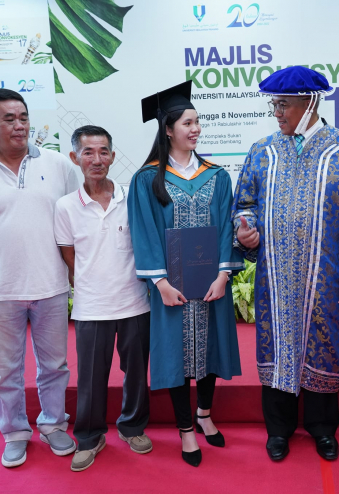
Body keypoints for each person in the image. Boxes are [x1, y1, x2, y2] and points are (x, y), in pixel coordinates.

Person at [232, 66, 339, 462]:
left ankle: (321, 429)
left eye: (283, 104)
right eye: (274, 103)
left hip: (327, 277)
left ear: (310, 102)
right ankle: (278, 430)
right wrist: (245, 229)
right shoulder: (262, 151)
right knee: (276, 345)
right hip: (276, 277)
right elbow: (244, 204)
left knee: (324, 346)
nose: (276, 112)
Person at [0, 88, 79, 467]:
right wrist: (4, 260)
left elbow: (72, 222)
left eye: (23, 117)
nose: (19, 125)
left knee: (54, 365)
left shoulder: (57, 165)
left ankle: (54, 424)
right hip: (0, 289)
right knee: (5, 370)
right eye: (9, 119)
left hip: (51, 286)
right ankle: (15, 432)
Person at [128, 81, 243, 468]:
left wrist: (224, 275)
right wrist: (160, 283)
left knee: (208, 351)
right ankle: (185, 431)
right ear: (167, 129)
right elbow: (143, 232)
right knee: (177, 356)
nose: (194, 129)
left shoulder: (218, 176)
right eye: (187, 123)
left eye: (197, 122)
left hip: (211, 283)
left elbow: (227, 227)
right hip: (170, 288)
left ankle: (205, 414)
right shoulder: (147, 179)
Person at [54, 125, 152, 472]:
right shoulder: (65, 207)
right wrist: (89, 283)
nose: (97, 159)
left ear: (112, 155)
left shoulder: (131, 198)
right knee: (92, 380)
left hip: (135, 304)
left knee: (137, 374)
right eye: (88, 152)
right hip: (91, 307)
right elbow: (69, 257)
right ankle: (90, 436)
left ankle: (132, 427)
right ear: (75, 158)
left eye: (103, 151)